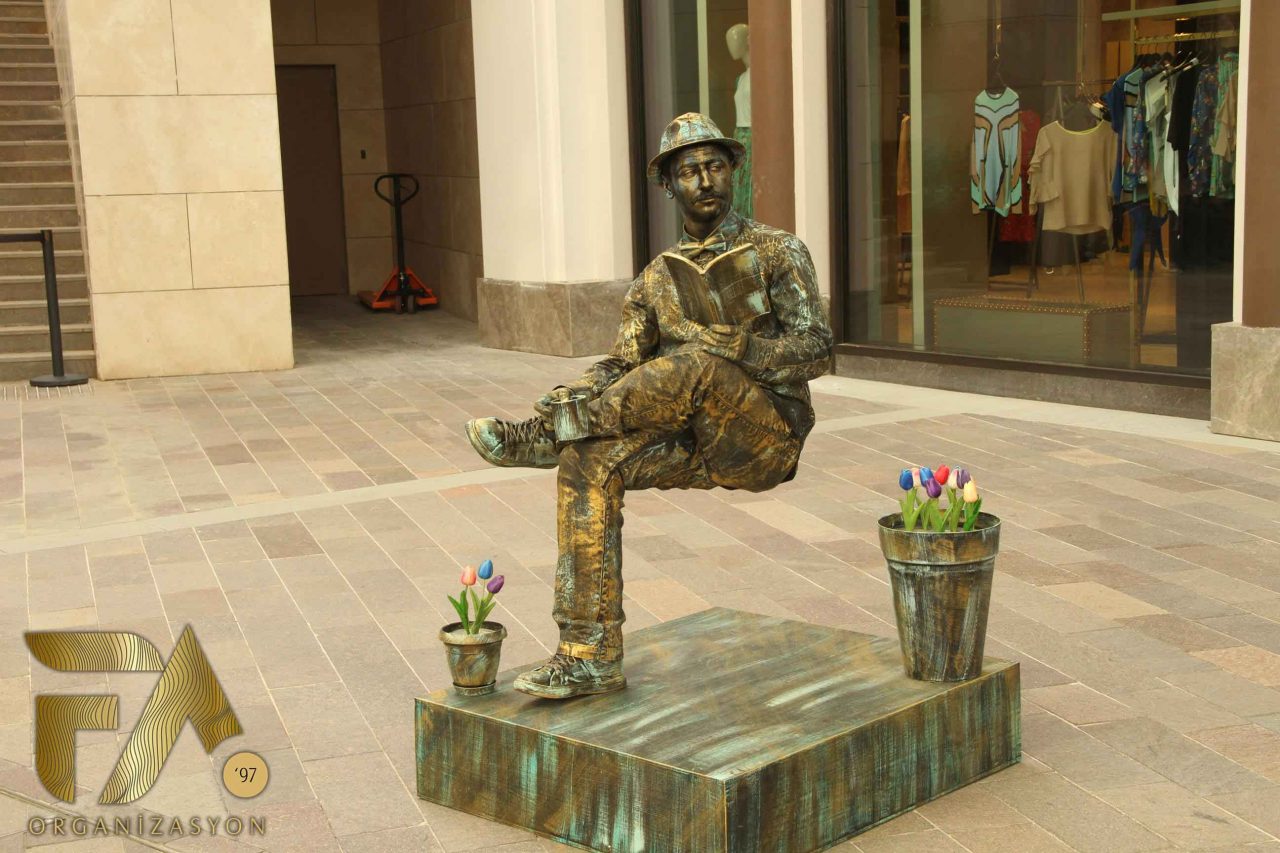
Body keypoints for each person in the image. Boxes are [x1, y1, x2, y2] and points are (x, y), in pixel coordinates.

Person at [465, 113, 833, 699]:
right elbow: (622, 363)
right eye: (689, 171)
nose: (704, 180)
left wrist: (746, 348)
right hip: (689, 441)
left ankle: (548, 433)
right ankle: (587, 655)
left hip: (764, 436)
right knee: (587, 462)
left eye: (715, 166)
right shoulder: (657, 277)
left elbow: (818, 349)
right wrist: (578, 389)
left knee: (699, 364)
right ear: (668, 185)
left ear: (733, 171)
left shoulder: (778, 250)